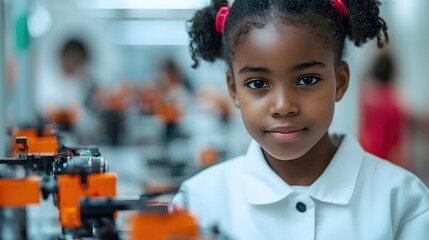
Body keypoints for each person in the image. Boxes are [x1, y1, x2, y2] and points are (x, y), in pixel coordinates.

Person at [171, 0, 429, 239]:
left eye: (307, 80)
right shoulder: (196, 202)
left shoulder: (405, 202)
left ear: (340, 81)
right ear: (233, 89)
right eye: (258, 83)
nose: (283, 106)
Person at [358, 50, 412, 170]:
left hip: (366, 155)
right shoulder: (394, 103)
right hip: (386, 162)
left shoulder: (366, 97)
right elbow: (396, 145)